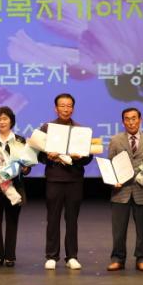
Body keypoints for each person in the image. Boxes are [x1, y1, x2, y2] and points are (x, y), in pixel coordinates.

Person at [39, 93, 93, 270]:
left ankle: (72, 256)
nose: (65, 109)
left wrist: (79, 157)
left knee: (72, 220)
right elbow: (38, 155)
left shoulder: (80, 130)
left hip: (74, 179)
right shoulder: (47, 128)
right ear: (56, 108)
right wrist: (48, 156)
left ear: (73, 109)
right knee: (52, 219)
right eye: (62, 106)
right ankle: (51, 256)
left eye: (69, 106)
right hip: (54, 179)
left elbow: (88, 158)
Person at [106, 108, 143, 272]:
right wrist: (113, 180)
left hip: (141, 190)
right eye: (127, 119)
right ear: (123, 122)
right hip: (120, 191)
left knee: (142, 230)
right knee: (118, 230)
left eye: (134, 118)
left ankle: (142, 259)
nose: (131, 122)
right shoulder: (115, 140)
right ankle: (117, 259)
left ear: (140, 120)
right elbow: (110, 165)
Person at [0, 106, 30, 268]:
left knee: (12, 221)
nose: (2, 122)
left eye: (5, 118)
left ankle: (10, 256)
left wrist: (25, 168)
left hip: (14, 187)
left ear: (11, 121)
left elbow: (27, 166)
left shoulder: (20, 140)